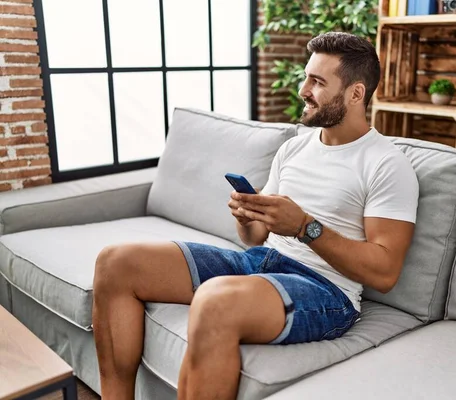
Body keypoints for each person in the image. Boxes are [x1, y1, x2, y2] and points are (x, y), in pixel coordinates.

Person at [92, 31, 419, 400]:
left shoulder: (387, 164)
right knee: (115, 262)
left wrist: (303, 227)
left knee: (216, 301)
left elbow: (385, 272)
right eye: (306, 76)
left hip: (326, 290)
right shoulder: (295, 148)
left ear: (356, 93)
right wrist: (247, 217)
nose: (303, 90)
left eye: (317, 82)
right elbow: (255, 239)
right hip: (260, 262)